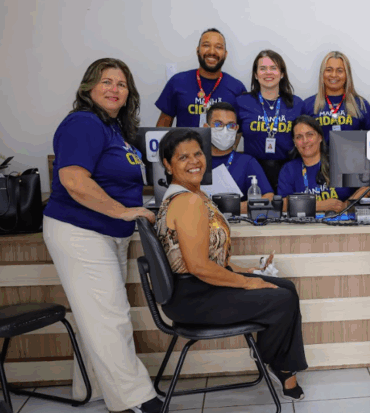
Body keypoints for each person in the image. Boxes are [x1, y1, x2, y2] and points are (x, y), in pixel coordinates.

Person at [42, 58, 163, 413]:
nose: (114, 89)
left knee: (95, 316)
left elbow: (116, 182)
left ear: (128, 94)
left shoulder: (114, 130)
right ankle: (136, 400)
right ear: (88, 88)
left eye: (121, 84)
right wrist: (123, 211)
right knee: (111, 317)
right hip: (81, 230)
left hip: (108, 233)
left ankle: (94, 388)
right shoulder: (83, 123)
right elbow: (73, 180)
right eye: (106, 81)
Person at [155, 129, 308, 400]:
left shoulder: (194, 195)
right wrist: (248, 283)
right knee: (282, 299)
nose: (194, 161)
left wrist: (243, 271)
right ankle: (277, 364)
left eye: (197, 154)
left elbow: (210, 257)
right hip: (193, 298)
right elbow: (198, 266)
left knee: (286, 287)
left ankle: (276, 361)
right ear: (168, 165)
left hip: (198, 289)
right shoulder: (188, 202)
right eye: (183, 157)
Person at [237, 50, 304, 192]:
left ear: (282, 73)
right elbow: (233, 141)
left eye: (273, 68)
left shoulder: (297, 104)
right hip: (252, 171)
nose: (268, 72)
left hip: (288, 171)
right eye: (263, 68)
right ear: (256, 74)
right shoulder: (242, 102)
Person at [155, 28, 247, 128]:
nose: (212, 51)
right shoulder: (177, 82)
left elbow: (240, 129)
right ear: (198, 50)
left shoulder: (237, 88)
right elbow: (162, 126)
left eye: (218, 47)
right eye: (206, 45)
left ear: (225, 54)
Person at [277, 115, 367, 213]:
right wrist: (319, 205)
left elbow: (367, 187)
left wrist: (347, 205)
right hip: (305, 222)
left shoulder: (341, 161)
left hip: (342, 220)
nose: (305, 141)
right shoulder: (289, 169)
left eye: (310, 135)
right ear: (294, 142)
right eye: (299, 137)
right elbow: (283, 205)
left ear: (320, 137)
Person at [203, 101, 273, 214]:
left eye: (231, 125)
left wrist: (231, 207)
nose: (225, 130)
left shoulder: (247, 162)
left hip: (238, 222)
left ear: (236, 129)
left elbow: (269, 197)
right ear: (206, 127)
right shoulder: (194, 161)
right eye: (218, 124)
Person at [302, 51, 370, 143]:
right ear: (322, 73)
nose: (334, 75)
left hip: (352, 153)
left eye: (339, 71)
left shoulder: (360, 104)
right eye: (329, 70)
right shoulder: (308, 104)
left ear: (347, 75)